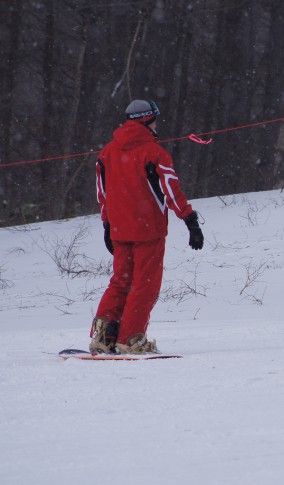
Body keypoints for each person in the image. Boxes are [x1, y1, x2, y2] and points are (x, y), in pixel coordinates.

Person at [89, 99, 204, 354]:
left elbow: (102, 193)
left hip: (119, 230)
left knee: (120, 281)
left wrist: (107, 224)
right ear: (148, 121)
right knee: (145, 283)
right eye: (155, 120)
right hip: (148, 230)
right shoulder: (155, 153)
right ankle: (130, 339)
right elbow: (171, 190)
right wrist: (190, 220)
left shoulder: (107, 152)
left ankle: (103, 336)